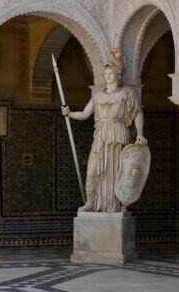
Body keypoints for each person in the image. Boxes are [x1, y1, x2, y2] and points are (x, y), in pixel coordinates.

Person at [62, 53, 145, 212]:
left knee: (116, 171)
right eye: (105, 74)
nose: (108, 76)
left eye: (110, 73)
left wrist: (140, 133)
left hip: (118, 133)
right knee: (93, 170)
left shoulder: (127, 93)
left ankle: (116, 203)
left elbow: (138, 113)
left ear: (118, 75)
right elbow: (86, 114)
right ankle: (91, 203)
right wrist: (70, 113)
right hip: (101, 136)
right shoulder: (97, 95)